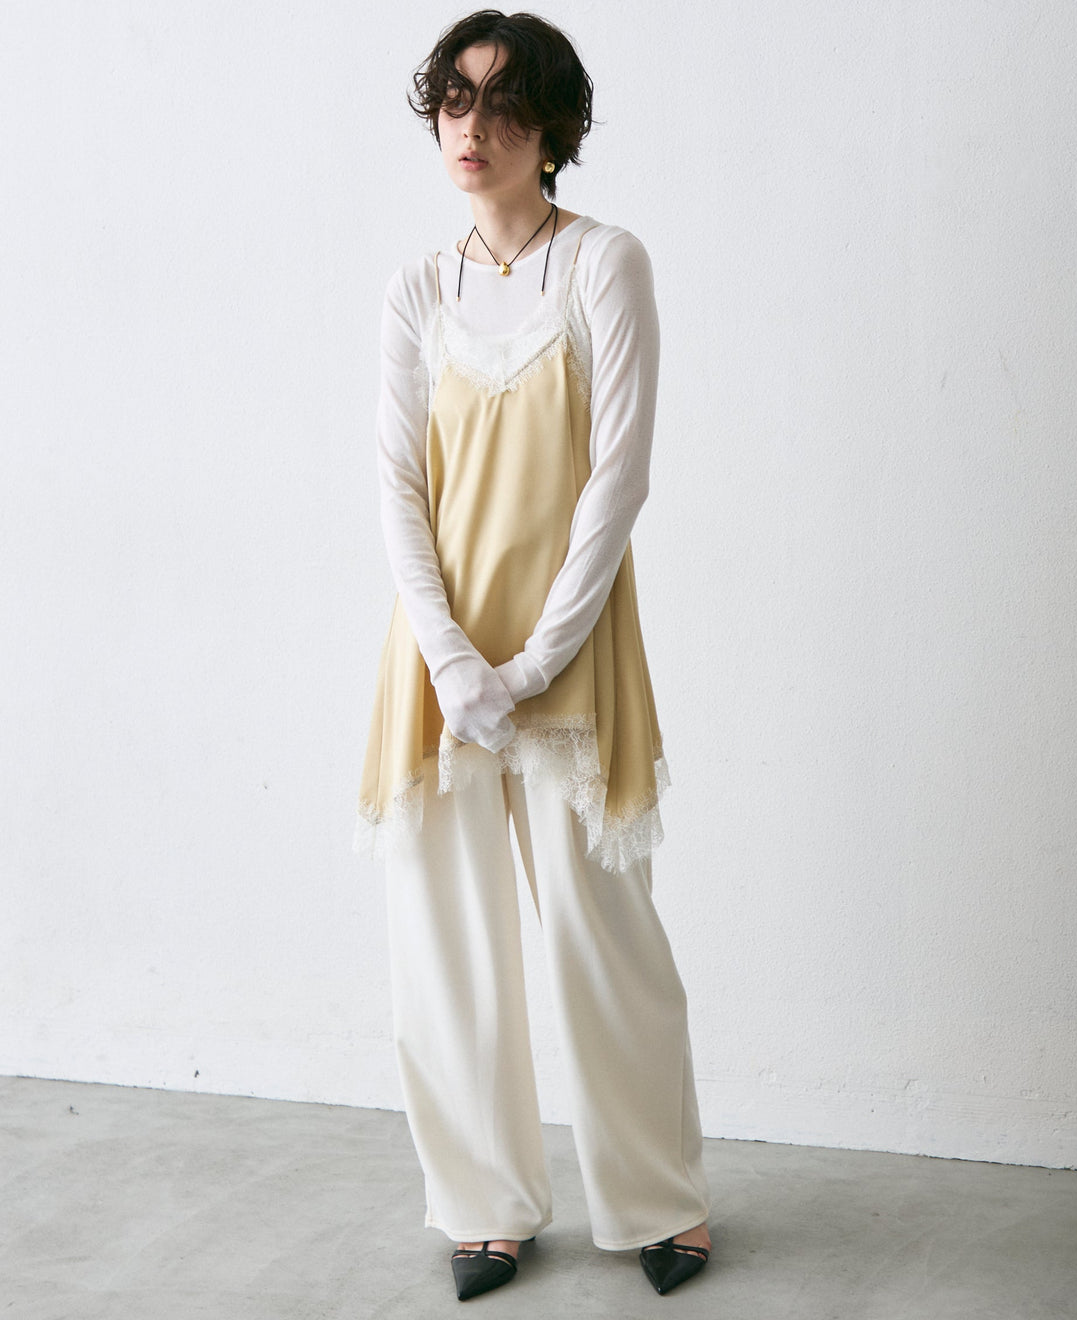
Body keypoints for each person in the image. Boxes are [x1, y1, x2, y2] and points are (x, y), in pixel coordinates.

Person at [356, 9, 711, 1301]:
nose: (473, 127)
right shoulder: (417, 289)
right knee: (447, 947)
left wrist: (533, 663)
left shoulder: (604, 264)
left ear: (553, 127)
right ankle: (484, 1208)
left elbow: (620, 479)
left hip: (571, 652)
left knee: (602, 938)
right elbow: (398, 489)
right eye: (455, 100)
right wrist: (456, 664)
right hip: (438, 663)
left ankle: (660, 1202)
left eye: (503, 104)